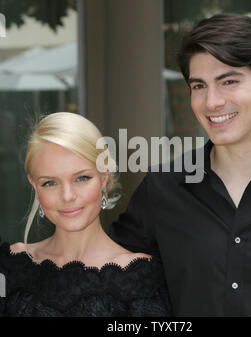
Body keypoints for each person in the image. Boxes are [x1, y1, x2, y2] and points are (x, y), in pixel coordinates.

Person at [109, 13, 251, 316]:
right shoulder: (162, 188)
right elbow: (107, 283)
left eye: (228, 82)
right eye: (199, 86)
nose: (211, 102)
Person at [0, 112, 172, 317]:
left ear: (104, 177)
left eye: (81, 178)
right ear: (34, 185)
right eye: (50, 183)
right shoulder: (10, 266)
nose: (67, 196)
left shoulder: (143, 280)